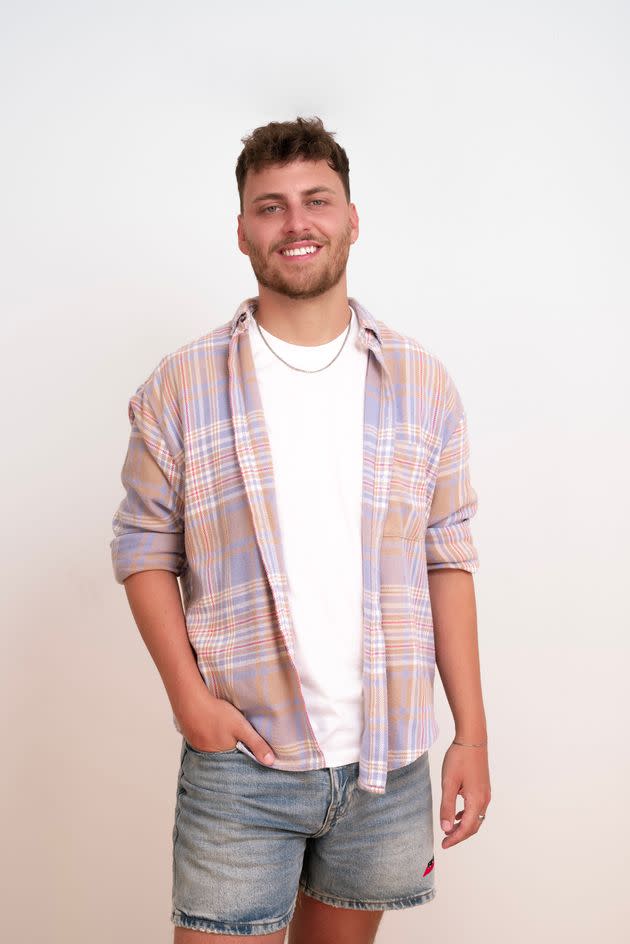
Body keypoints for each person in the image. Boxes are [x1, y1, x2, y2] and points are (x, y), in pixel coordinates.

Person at [110, 116, 491, 944]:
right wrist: (191, 704)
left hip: (388, 763)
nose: (296, 223)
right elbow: (142, 550)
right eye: (270, 206)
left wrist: (472, 733)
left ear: (352, 218)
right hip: (243, 764)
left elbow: (447, 557)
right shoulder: (181, 386)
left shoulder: (422, 383)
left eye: (317, 200)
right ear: (242, 230)